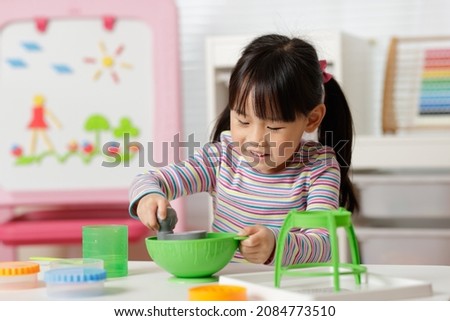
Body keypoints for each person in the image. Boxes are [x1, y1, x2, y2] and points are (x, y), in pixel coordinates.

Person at [129, 34, 358, 266]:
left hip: (291, 288)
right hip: (228, 288)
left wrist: (276, 245)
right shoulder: (220, 158)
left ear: (312, 119)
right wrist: (149, 197)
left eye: (274, 126)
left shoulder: (319, 167)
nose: (256, 139)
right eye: (243, 121)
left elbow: (324, 243)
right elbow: (149, 180)